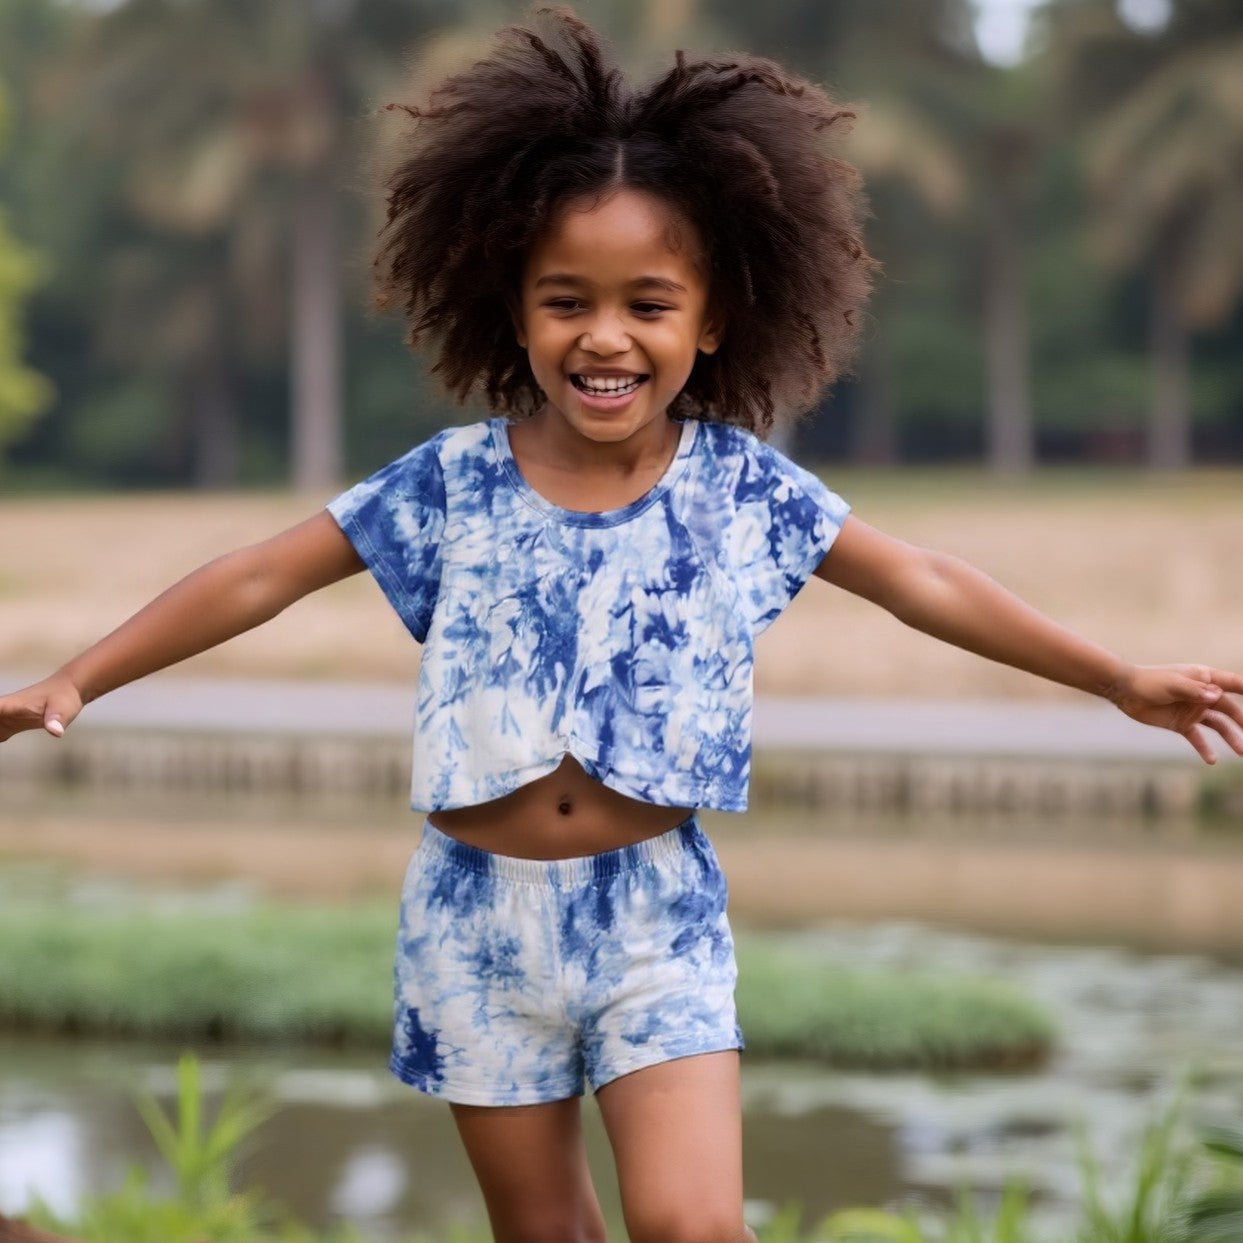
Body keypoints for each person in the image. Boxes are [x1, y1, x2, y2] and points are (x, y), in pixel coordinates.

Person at [3, 8, 1241, 1242]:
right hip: (468, 913)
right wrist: (81, 677)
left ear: (709, 321)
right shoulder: (449, 482)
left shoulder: (742, 489)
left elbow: (921, 580)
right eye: (565, 301)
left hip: (655, 913)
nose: (605, 335)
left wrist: (1116, 676)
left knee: (692, 1227)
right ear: (516, 313)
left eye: (647, 303)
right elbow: (258, 576)